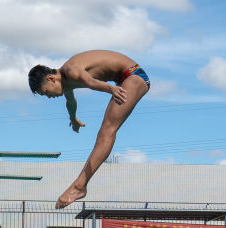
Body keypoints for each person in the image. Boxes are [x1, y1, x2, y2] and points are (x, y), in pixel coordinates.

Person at [28, 50, 150, 208]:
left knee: (107, 131)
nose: (49, 97)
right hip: (125, 78)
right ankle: (80, 186)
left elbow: (90, 82)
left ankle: (79, 186)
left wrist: (111, 89)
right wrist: (73, 119)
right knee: (106, 131)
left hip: (132, 75)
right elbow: (71, 102)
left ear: (51, 78)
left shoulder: (70, 70)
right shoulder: (66, 83)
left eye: (46, 92)